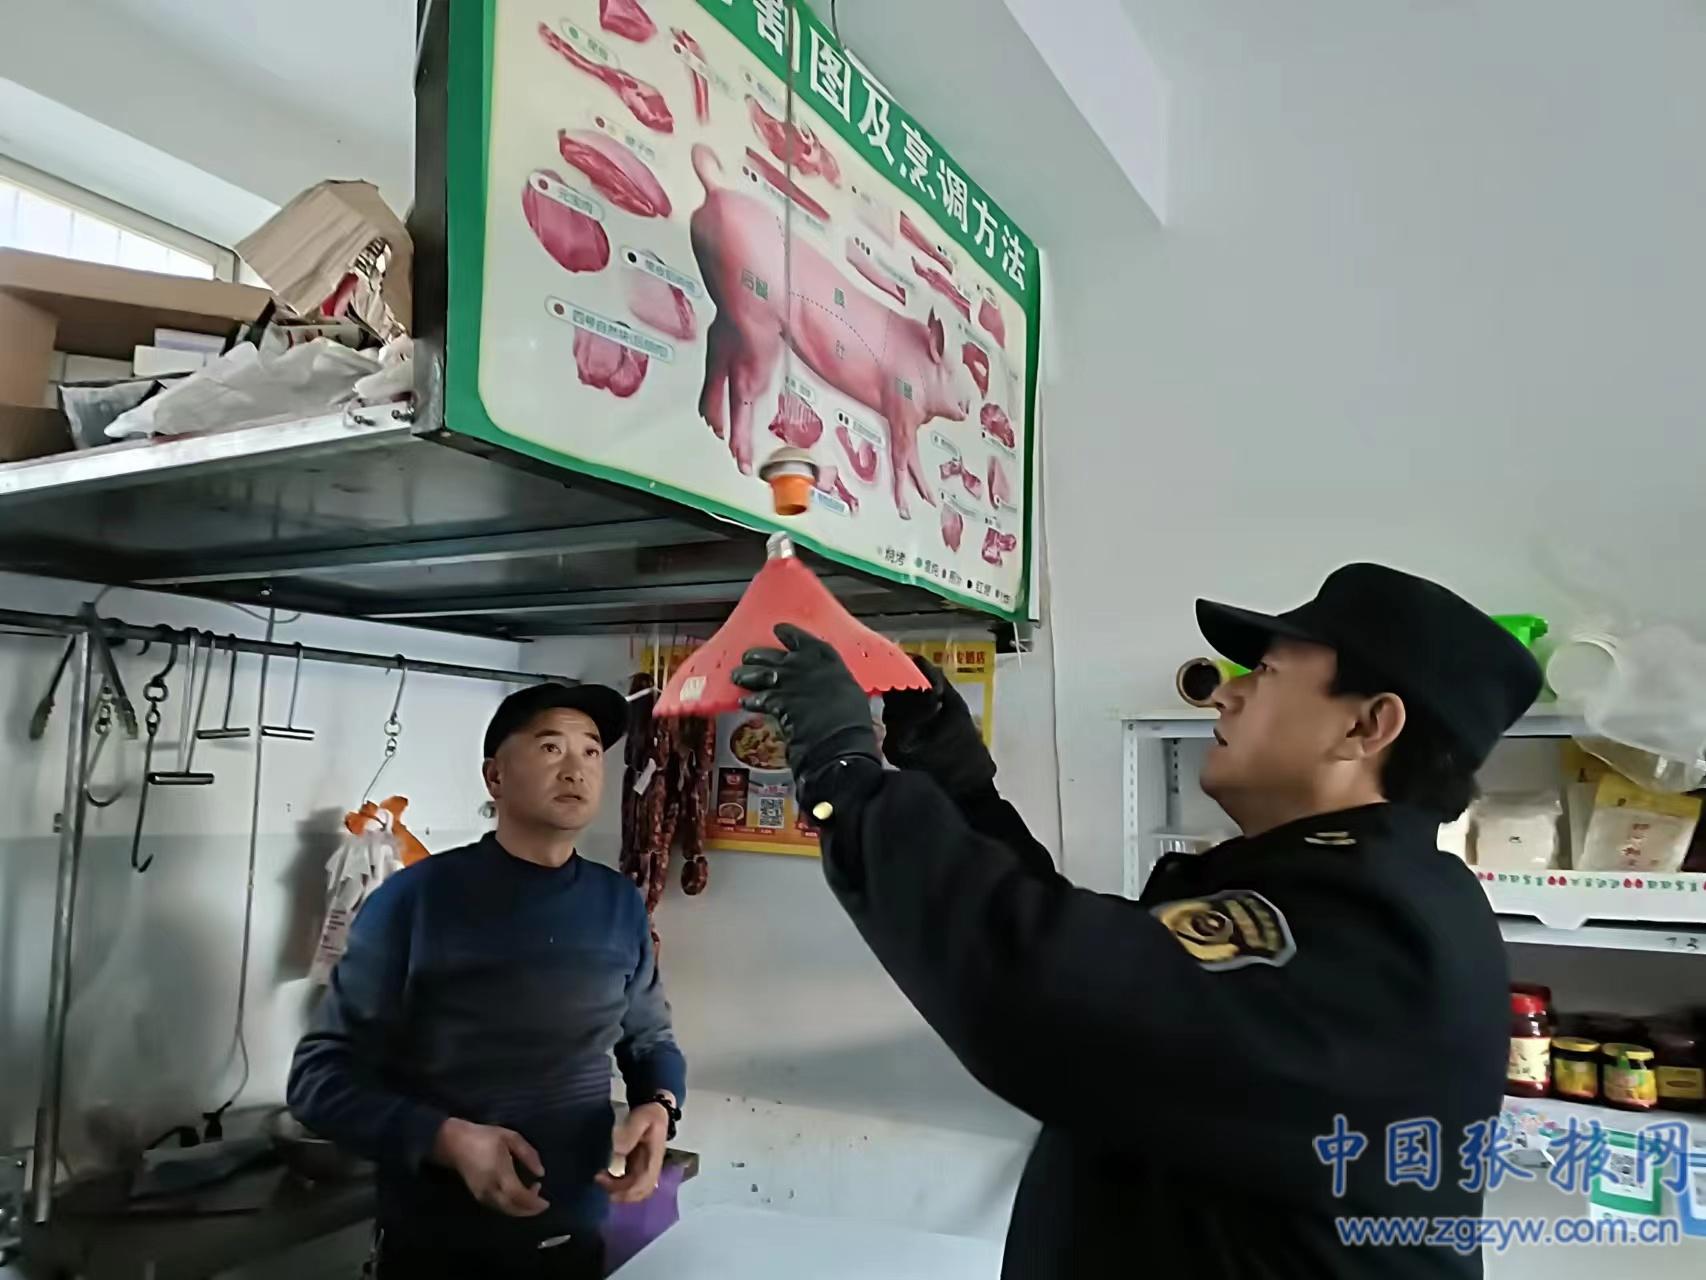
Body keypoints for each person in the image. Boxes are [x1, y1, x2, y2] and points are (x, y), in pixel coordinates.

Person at [732, 564, 1541, 1280]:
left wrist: (843, 770)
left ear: (1367, 726)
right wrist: (956, 779)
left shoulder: (1375, 937)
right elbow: (1094, 958)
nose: (1227, 691)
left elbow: (1043, 995)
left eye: (1265, 672)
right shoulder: (1347, 888)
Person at [288, 683, 687, 1280]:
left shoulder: (618, 903)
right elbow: (318, 1080)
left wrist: (658, 1104)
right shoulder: (415, 900)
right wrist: (446, 1139)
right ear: (494, 777)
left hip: (577, 1237)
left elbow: (649, 1039)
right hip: (437, 1247)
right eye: (550, 748)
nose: (576, 768)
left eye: (590, 751)